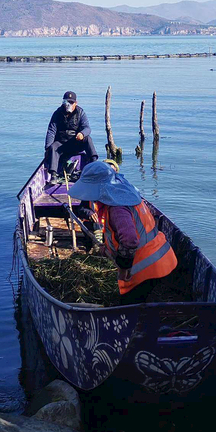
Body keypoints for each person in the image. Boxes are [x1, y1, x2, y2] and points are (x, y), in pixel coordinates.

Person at [70, 160, 178, 304]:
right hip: (162, 258)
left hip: (146, 268)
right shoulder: (126, 195)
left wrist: (123, 267)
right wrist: (107, 247)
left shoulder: (117, 208)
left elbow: (130, 240)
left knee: (129, 308)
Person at [44, 91, 99, 178]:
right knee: (52, 147)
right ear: (63, 102)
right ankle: (53, 175)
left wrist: (82, 133)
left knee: (88, 139)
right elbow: (51, 131)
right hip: (61, 144)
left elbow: (87, 128)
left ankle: (94, 164)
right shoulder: (57, 113)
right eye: (67, 102)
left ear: (75, 103)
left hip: (75, 143)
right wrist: (47, 148)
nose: (68, 104)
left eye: (71, 102)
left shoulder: (81, 112)